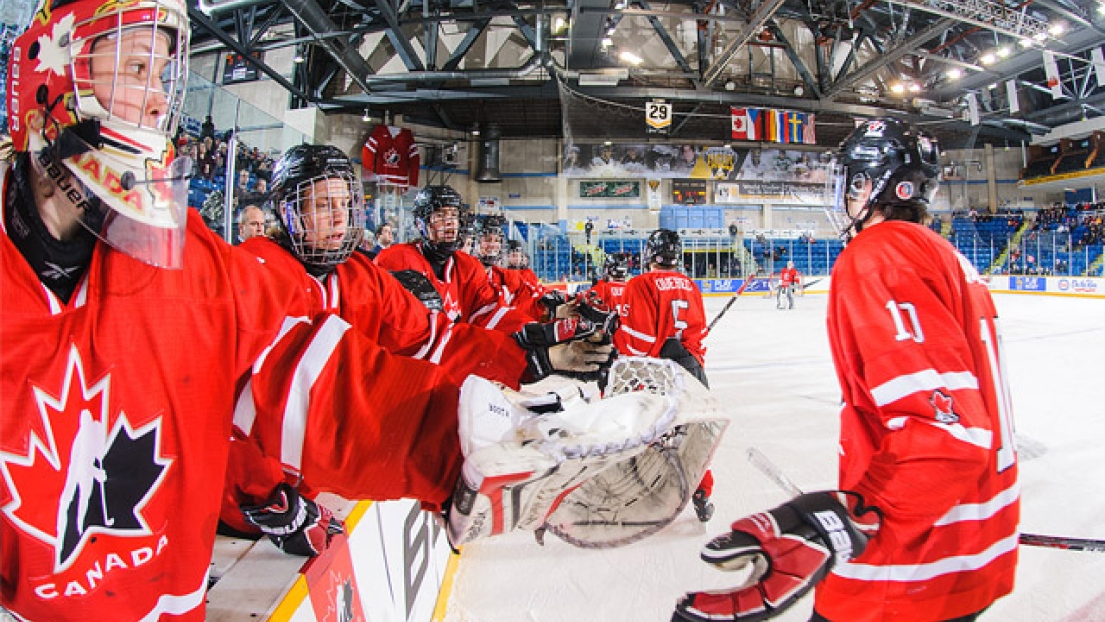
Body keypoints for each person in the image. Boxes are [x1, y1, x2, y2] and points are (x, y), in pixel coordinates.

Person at [0, 3, 608, 619]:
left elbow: (323, 388)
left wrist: (473, 439)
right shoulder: (256, 266)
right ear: (46, 85)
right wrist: (264, 498)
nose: (159, 103)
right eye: (135, 68)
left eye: (164, 77)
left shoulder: (193, 263)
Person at [674, 118, 1019, 622]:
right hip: (970, 545)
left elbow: (947, 428)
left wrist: (842, 518)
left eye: (851, 182)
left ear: (868, 185)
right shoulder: (947, 255)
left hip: (912, 563)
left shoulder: (881, 255)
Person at [221, 145, 614, 545]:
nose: (339, 217)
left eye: (345, 202)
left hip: (314, 475)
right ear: (288, 211)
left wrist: (528, 359)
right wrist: (267, 497)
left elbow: (434, 339)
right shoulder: (255, 274)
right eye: (323, 204)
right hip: (240, 502)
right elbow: (235, 397)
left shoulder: (358, 274)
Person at [614, 229, 714, 522]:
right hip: (691, 368)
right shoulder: (690, 286)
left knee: (643, 430)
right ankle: (702, 492)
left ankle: (638, 491)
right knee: (693, 433)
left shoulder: (640, 283)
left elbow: (638, 342)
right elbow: (697, 336)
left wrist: (615, 337)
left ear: (648, 255)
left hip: (655, 371)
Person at [585, 251, 630, 319]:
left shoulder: (603, 287)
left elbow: (586, 299)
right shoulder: (632, 287)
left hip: (610, 326)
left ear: (610, 269)